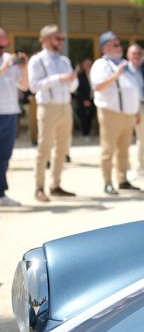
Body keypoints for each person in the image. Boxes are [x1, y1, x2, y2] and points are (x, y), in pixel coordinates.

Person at [28, 24, 78, 202]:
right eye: (59, 38)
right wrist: (59, 79)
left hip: (65, 106)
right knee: (44, 149)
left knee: (63, 148)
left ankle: (55, 184)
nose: (62, 42)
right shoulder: (37, 60)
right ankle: (39, 188)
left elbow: (72, 86)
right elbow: (34, 86)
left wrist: (72, 81)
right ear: (47, 39)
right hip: (48, 107)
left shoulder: (64, 60)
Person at [91, 31, 141, 195]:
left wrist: (137, 110)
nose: (119, 47)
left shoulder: (125, 64)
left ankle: (123, 180)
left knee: (124, 150)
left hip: (128, 114)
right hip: (110, 113)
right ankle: (107, 182)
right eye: (115, 45)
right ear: (105, 47)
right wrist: (116, 75)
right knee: (108, 149)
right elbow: (98, 86)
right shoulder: (101, 64)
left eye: (119, 44)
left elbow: (134, 89)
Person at [0, 29, 29, 206]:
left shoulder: (10, 60)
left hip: (10, 113)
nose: (2, 49)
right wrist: (5, 67)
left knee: (4, 155)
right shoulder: (7, 63)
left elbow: (24, 87)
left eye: (4, 46)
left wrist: (24, 68)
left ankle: (1, 193)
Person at [126, 44, 144, 177]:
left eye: (138, 54)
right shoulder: (124, 70)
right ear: (128, 55)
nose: (136, 56)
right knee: (125, 138)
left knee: (143, 138)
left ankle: (140, 166)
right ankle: (126, 167)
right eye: (133, 54)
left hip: (142, 106)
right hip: (127, 107)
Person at [74, 58, 95, 141]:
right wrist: (83, 100)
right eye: (86, 64)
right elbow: (78, 90)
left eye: (90, 64)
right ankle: (85, 134)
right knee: (83, 117)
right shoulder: (80, 76)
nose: (88, 66)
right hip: (83, 100)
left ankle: (88, 132)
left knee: (91, 116)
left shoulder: (95, 74)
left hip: (93, 99)